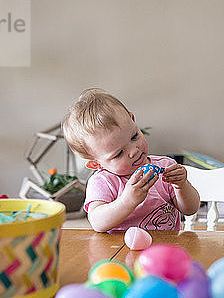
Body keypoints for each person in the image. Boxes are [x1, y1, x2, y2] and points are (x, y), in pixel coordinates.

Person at [61, 88, 200, 232]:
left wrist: (181, 186)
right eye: (119, 153)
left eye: (134, 136)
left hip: (166, 250)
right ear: (96, 164)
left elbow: (191, 209)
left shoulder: (166, 167)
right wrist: (127, 201)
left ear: (133, 120)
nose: (134, 151)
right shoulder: (103, 182)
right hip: (121, 251)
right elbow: (97, 223)